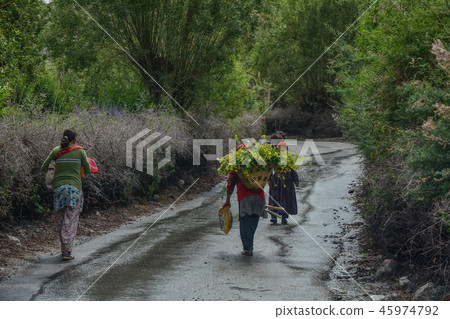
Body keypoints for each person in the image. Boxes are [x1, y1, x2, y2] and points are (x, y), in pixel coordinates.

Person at [41, 129, 92, 260]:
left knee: (61, 219)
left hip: (58, 189)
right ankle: (67, 251)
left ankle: (64, 248)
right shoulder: (80, 151)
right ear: (74, 139)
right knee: (71, 219)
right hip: (74, 189)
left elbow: (44, 167)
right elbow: (88, 169)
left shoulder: (56, 151)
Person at [223, 144, 266, 256]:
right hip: (259, 197)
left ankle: (248, 248)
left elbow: (230, 182)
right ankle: (249, 246)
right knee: (253, 222)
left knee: (245, 223)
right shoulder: (258, 165)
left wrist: (227, 200)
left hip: (245, 197)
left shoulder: (237, 166)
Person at [268, 141, 299, 225]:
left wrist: (296, 180)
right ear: (277, 150)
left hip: (287, 181)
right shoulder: (274, 158)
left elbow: (293, 170)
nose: (282, 150)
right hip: (276, 180)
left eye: (284, 149)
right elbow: (269, 169)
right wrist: (269, 179)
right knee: (274, 197)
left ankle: (284, 217)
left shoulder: (288, 159)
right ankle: (273, 216)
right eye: (280, 149)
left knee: (285, 198)